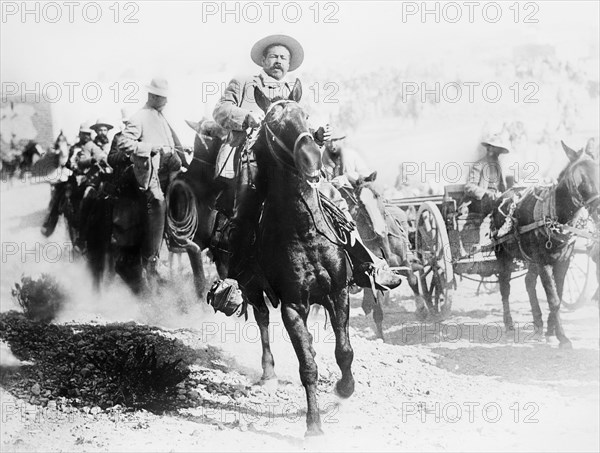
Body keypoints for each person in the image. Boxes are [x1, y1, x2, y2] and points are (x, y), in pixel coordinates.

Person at [211, 34, 401, 303]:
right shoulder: (243, 83)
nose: (279, 61)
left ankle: (366, 264)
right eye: (274, 56)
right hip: (253, 161)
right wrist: (245, 117)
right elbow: (220, 110)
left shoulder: (296, 90)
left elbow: (304, 129)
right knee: (246, 211)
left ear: (290, 64)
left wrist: (319, 134)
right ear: (263, 60)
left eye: (284, 58)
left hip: (292, 166)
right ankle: (233, 284)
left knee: (336, 202)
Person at [113, 78, 182, 294]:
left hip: (168, 171)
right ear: (152, 96)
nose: (165, 101)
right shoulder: (139, 117)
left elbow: (171, 144)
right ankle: (152, 258)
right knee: (158, 202)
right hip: (149, 175)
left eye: (165, 97)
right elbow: (124, 143)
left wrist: (178, 154)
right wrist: (149, 147)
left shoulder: (162, 118)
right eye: (161, 97)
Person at [41, 131, 72, 237]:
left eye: (63, 141)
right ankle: (49, 226)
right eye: (60, 141)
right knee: (55, 202)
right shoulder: (54, 152)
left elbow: (66, 162)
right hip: (58, 178)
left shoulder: (69, 148)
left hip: (67, 176)